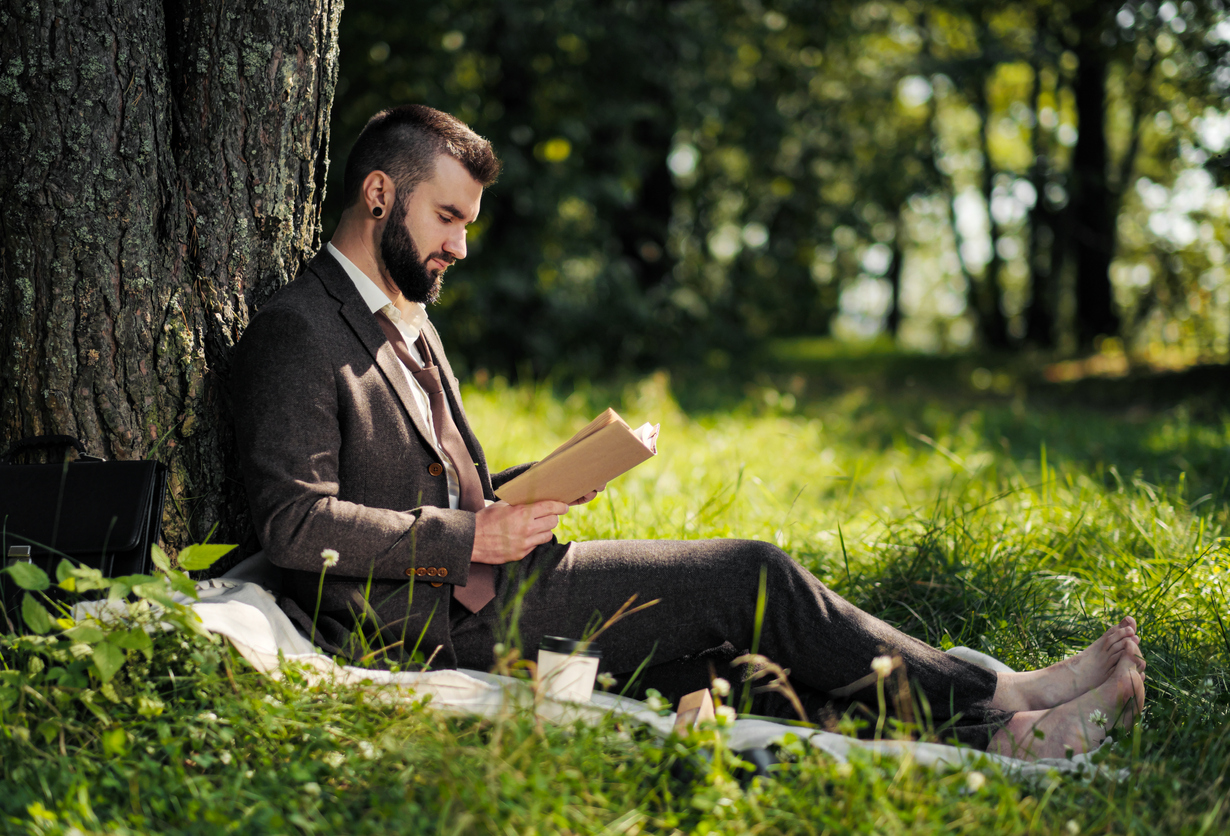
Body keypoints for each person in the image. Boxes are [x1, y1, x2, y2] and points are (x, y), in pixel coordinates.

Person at [229, 104, 1144, 760]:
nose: (462, 246)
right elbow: (294, 524)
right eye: (448, 217)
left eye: (468, 223)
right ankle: (1000, 692)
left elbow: (433, 480)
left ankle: (1008, 736)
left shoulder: (409, 318)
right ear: (379, 193)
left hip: (486, 579)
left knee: (724, 655)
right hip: (424, 622)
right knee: (747, 573)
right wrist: (478, 534)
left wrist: (544, 480)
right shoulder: (300, 328)